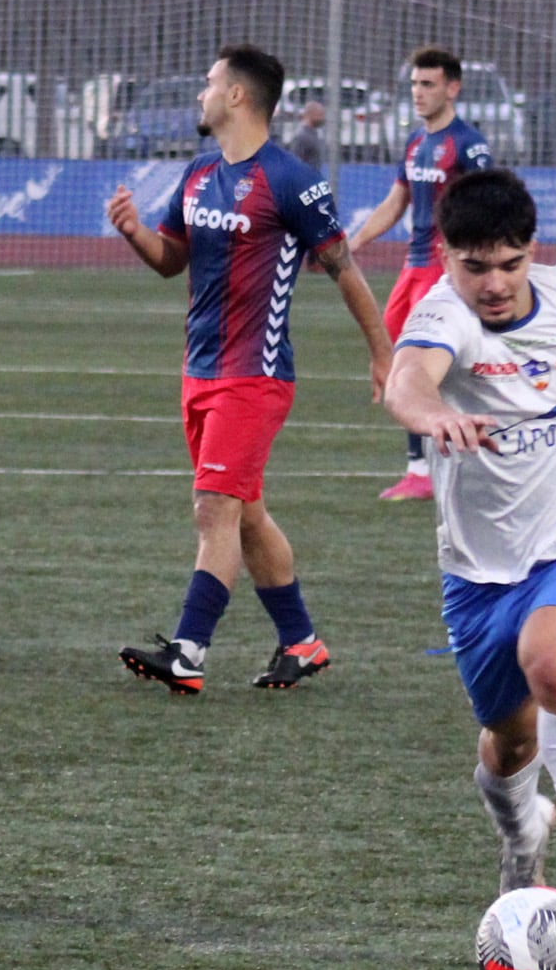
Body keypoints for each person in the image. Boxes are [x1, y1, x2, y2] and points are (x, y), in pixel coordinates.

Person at [382, 168, 556, 925]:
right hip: (478, 577)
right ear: (446, 258)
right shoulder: (445, 319)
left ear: (532, 250)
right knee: (507, 741)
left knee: (553, 661)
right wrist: (431, 414)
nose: (494, 284)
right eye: (475, 267)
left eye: (510, 263)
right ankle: (521, 833)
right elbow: (406, 381)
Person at [107, 43, 392, 695]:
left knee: (213, 510)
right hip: (199, 372)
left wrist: (383, 354)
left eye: (209, 83)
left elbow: (343, 269)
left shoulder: (290, 180)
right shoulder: (201, 174)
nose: (201, 95)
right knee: (245, 514)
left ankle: (188, 652)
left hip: (254, 377)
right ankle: (303, 642)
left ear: (237, 95)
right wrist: (132, 232)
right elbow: (170, 258)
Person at [352, 46, 492, 501]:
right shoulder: (415, 143)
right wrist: (354, 241)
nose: (418, 92)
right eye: (414, 84)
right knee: (395, 366)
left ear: (453, 88)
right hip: (412, 269)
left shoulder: (468, 144)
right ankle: (421, 467)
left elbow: (487, 202)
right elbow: (397, 201)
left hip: (443, 271)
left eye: (427, 84)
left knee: (434, 369)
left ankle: (441, 467)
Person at [287, 99, 326, 169]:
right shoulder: (302, 136)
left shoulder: (312, 134)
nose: (323, 118)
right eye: (320, 115)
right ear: (311, 114)